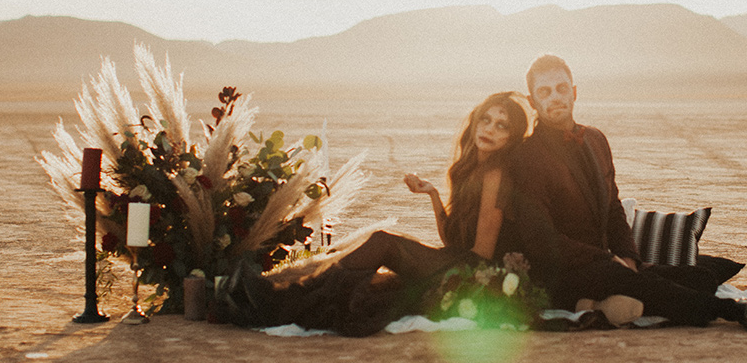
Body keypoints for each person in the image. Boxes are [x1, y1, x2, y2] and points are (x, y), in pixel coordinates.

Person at [217, 91, 534, 336]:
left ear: (511, 136)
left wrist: (432, 273)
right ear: (475, 121)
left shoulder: (495, 176)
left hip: (471, 273)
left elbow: (481, 253)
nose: (490, 129)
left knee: (383, 242)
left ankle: (278, 300)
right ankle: (280, 300)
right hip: (456, 261)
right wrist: (434, 195)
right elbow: (450, 237)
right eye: (486, 120)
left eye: (502, 125)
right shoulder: (471, 170)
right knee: (374, 278)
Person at [507, 54, 747, 329]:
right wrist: (609, 260)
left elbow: (613, 208)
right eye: (544, 92)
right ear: (533, 101)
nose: (555, 97)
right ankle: (733, 311)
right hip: (561, 270)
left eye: (561, 89)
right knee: (639, 281)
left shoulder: (596, 139)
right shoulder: (527, 157)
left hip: (608, 264)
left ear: (573, 92)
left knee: (700, 278)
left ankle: (602, 303)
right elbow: (542, 240)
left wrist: (628, 257)